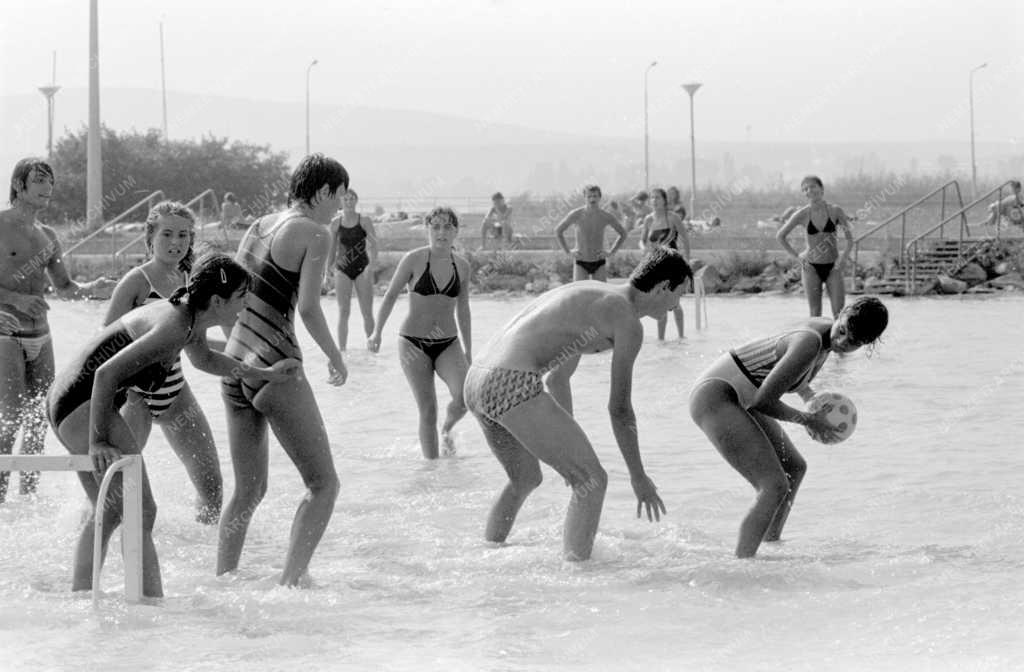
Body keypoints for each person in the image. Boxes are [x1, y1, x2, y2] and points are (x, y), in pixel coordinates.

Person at [47, 252, 298, 597]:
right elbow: (105, 375)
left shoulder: (189, 317)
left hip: (66, 399)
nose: (244, 307)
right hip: (82, 404)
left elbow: (206, 359)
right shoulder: (175, 325)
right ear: (216, 300)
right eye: (241, 298)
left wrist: (263, 373)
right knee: (142, 510)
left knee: (109, 512)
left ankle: (82, 598)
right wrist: (98, 442)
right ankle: (149, 606)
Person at [464, 246, 692, 561]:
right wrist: (638, 477)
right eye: (680, 294)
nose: (678, 304)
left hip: (477, 382)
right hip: (508, 381)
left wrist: (564, 445)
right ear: (663, 286)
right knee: (592, 480)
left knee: (525, 478)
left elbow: (558, 378)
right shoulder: (627, 321)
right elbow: (620, 409)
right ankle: (577, 580)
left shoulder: (593, 294)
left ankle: (485, 556)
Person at [217, 153, 349, 587]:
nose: (342, 205)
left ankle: (223, 580)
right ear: (325, 191)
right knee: (323, 485)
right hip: (277, 365)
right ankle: (291, 583)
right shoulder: (316, 233)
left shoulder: (259, 225)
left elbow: (229, 292)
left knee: (248, 491)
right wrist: (334, 355)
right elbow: (309, 308)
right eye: (340, 195)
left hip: (236, 366)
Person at [689, 296, 888, 558]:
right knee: (773, 486)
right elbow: (765, 401)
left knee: (795, 468)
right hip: (716, 395)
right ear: (839, 313)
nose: (842, 342)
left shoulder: (825, 339)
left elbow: (787, 375)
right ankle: (741, 566)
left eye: (852, 343)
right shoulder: (811, 342)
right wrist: (808, 420)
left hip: (741, 397)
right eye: (842, 332)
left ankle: (771, 545)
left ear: (866, 344)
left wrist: (810, 398)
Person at [0, 157, 115, 502]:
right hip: (5, 334)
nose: (47, 187)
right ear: (19, 185)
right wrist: (16, 300)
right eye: (39, 180)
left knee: (40, 416)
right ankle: (1, 499)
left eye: (50, 181)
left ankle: (28, 497)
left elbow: (64, 286)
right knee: (11, 416)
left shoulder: (49, 236)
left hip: (42, 335)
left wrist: (92, 286)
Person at [102, 201, 222, 524]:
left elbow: (197, 343)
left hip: (176, 394)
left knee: (213, 490)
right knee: (119, 491)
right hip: (135, 397)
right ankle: (97, 534)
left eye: (183, 235)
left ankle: (202, 563)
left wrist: (247, 350)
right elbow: (103, 345)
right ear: (150, 237)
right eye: (167, 233)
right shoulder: (135, 282)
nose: (176, 241)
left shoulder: (193, 280)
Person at [369, 206, 471, 459]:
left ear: (456, 231)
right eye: (435, 226)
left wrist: (469, 349)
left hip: (449, 343)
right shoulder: (414, 259)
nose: (441, 232)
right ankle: (432, 470)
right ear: (427, 230)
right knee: (428, 410)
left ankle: (447, 430)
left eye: (447, 226)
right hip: (413, 344)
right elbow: (391, 295)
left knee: (465, 397)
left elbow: (464, 309)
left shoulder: (463, 266)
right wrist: (376, 332)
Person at [776, 175, 854, 317]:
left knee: (839, 314)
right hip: (810, 267)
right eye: (805, 189)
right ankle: (818, 339)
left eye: (812, 186)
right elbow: (780, 236)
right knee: (815, 314)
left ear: (821, 188)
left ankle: (836, 339)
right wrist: (797, 257)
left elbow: (850, 240)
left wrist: (843, 259)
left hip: (833, 267)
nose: (809, 191)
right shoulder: (801, 214)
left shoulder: (836, 211)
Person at [327, 189, 378, 351]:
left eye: (351, 199)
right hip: (342, 269)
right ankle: (342, 352)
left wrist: (371, 266)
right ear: (341, 202)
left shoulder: (364, 221)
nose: (348, 202)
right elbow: (331, 248)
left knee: (367, 312)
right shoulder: (335, 223)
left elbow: (375, 244)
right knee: (344, 312)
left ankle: (373, 350)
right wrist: (328, 269)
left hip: (362, 268)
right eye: (345, 199)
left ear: (356, 201)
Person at [640, 188, 691, 340]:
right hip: (656, 265)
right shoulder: (648, 219)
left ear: (664, 200)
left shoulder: (673, 217)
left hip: (673, 264)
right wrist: (644, 249)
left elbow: (685, 238)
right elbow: (642, 241)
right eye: (652, 198)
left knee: (674, 302)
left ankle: (681, 337)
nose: (654, 201)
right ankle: (661, 340)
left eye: (657, 198)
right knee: (660, 303)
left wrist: (687, 260)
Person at [554, 184, 629, 281]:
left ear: (599, 197)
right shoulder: (576, 214)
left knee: (600, 293)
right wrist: (568, 252)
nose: (592, 199)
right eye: (589, 196)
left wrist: (611, 252)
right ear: (585, 198)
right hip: (581, 260)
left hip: (599, 261)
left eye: (595, 196)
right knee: (580, 293)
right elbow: (558, 231)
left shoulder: (606, 216)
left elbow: (623, 234)